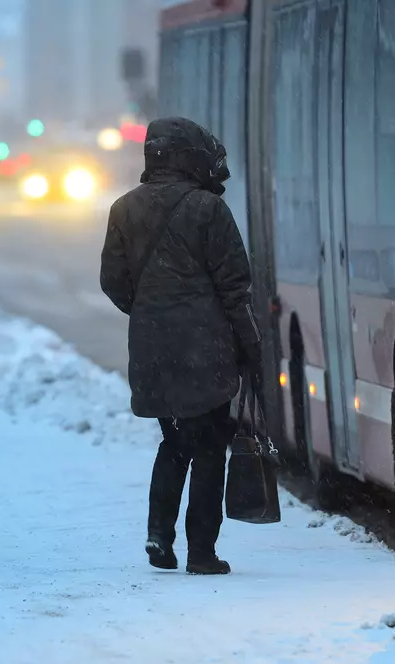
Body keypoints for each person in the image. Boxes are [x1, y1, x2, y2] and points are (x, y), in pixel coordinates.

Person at [100, 117, 263, 576]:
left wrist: (151, 311)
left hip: (153, 346)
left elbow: (113, 282)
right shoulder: (208, 210)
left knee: (173, 442)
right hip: (205, 347)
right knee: (210, 446)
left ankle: (158, 534)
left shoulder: (123, 209)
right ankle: (202, 552)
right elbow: (236, 288)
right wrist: (251, 347)